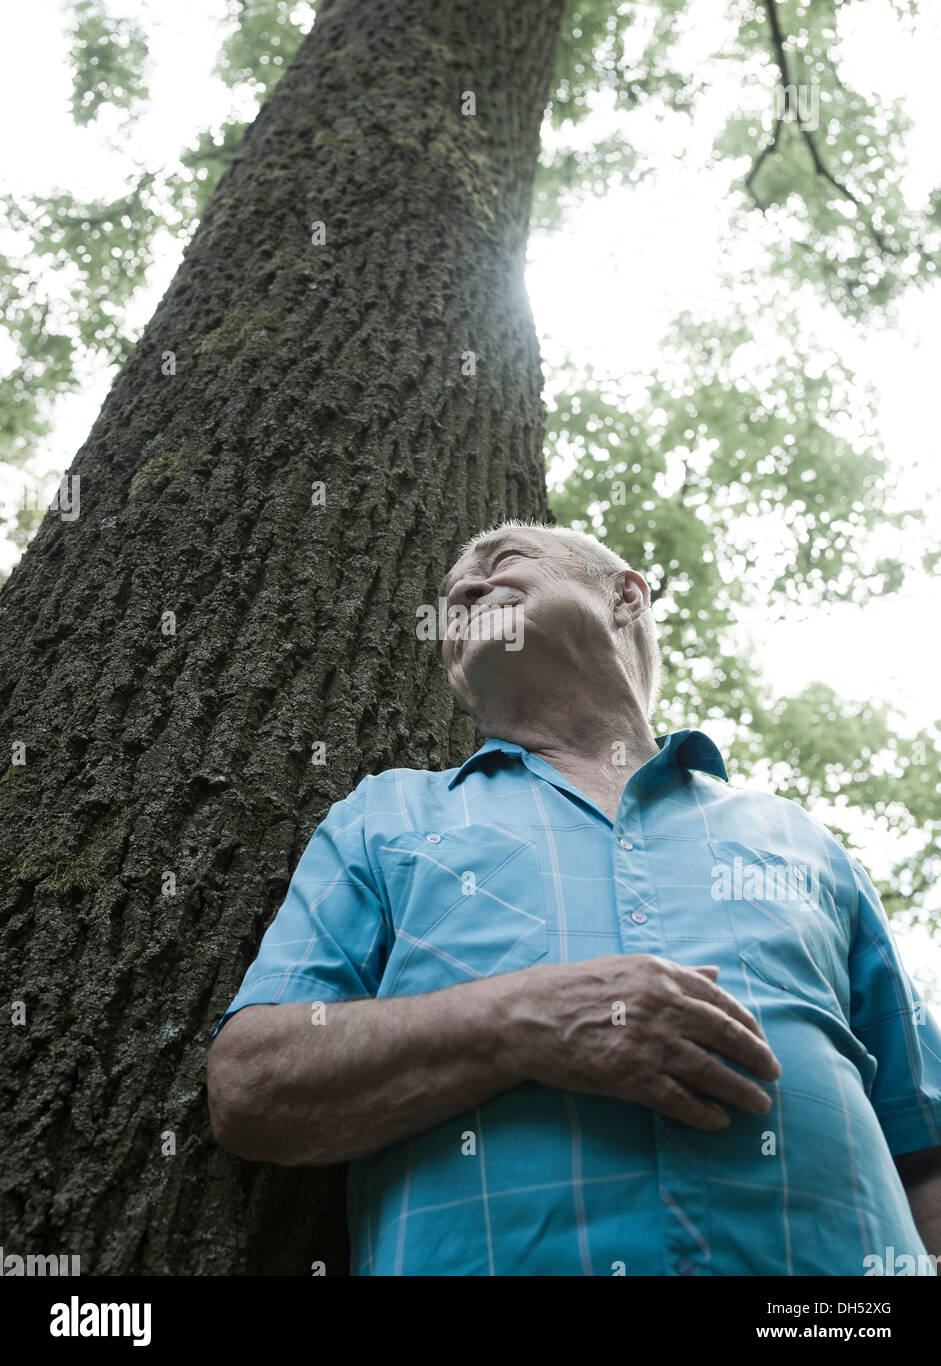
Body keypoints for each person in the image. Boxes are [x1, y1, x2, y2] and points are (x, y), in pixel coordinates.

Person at [207, 520, 941, 1276]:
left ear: (625, 597)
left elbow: (924, 1146)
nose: (466, 588)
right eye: (453, 595)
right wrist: (521, 1019)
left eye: (504, 560)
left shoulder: (801, 839)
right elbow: (252, 1085)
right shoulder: (384, 815)